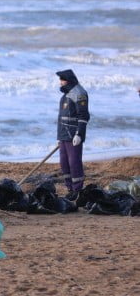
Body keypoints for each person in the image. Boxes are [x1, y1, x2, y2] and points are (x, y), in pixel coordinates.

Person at [56, 69, 90, 199]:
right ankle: (70, 189)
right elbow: (62, 117)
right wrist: (58, 137)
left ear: (68, 80)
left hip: (73, 135)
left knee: (74, 162)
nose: (60, 82)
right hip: (63, 135)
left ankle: (77, 190)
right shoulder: (65, 94)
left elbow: (84, 115)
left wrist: (79, 134)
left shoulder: (79, 93)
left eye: (62, 79)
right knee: (64, 163)